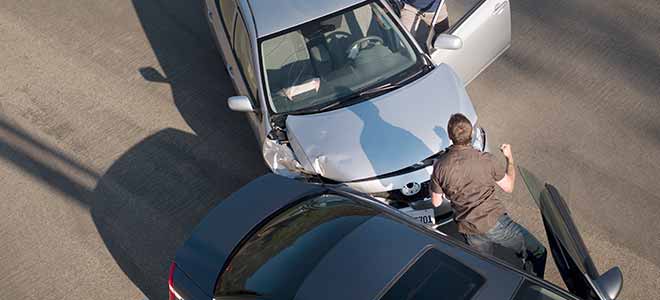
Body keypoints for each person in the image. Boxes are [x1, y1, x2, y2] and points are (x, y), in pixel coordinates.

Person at [430, 113, 547, 278]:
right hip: (495, 223)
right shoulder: (486, 160)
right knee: (538, 252)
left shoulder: (440, 166)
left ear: (450, 137)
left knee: (486, 267)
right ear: (471, 135)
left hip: (468, 228)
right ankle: (535, 286)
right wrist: (509, 158)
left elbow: (436, 202)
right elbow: (509, 187)